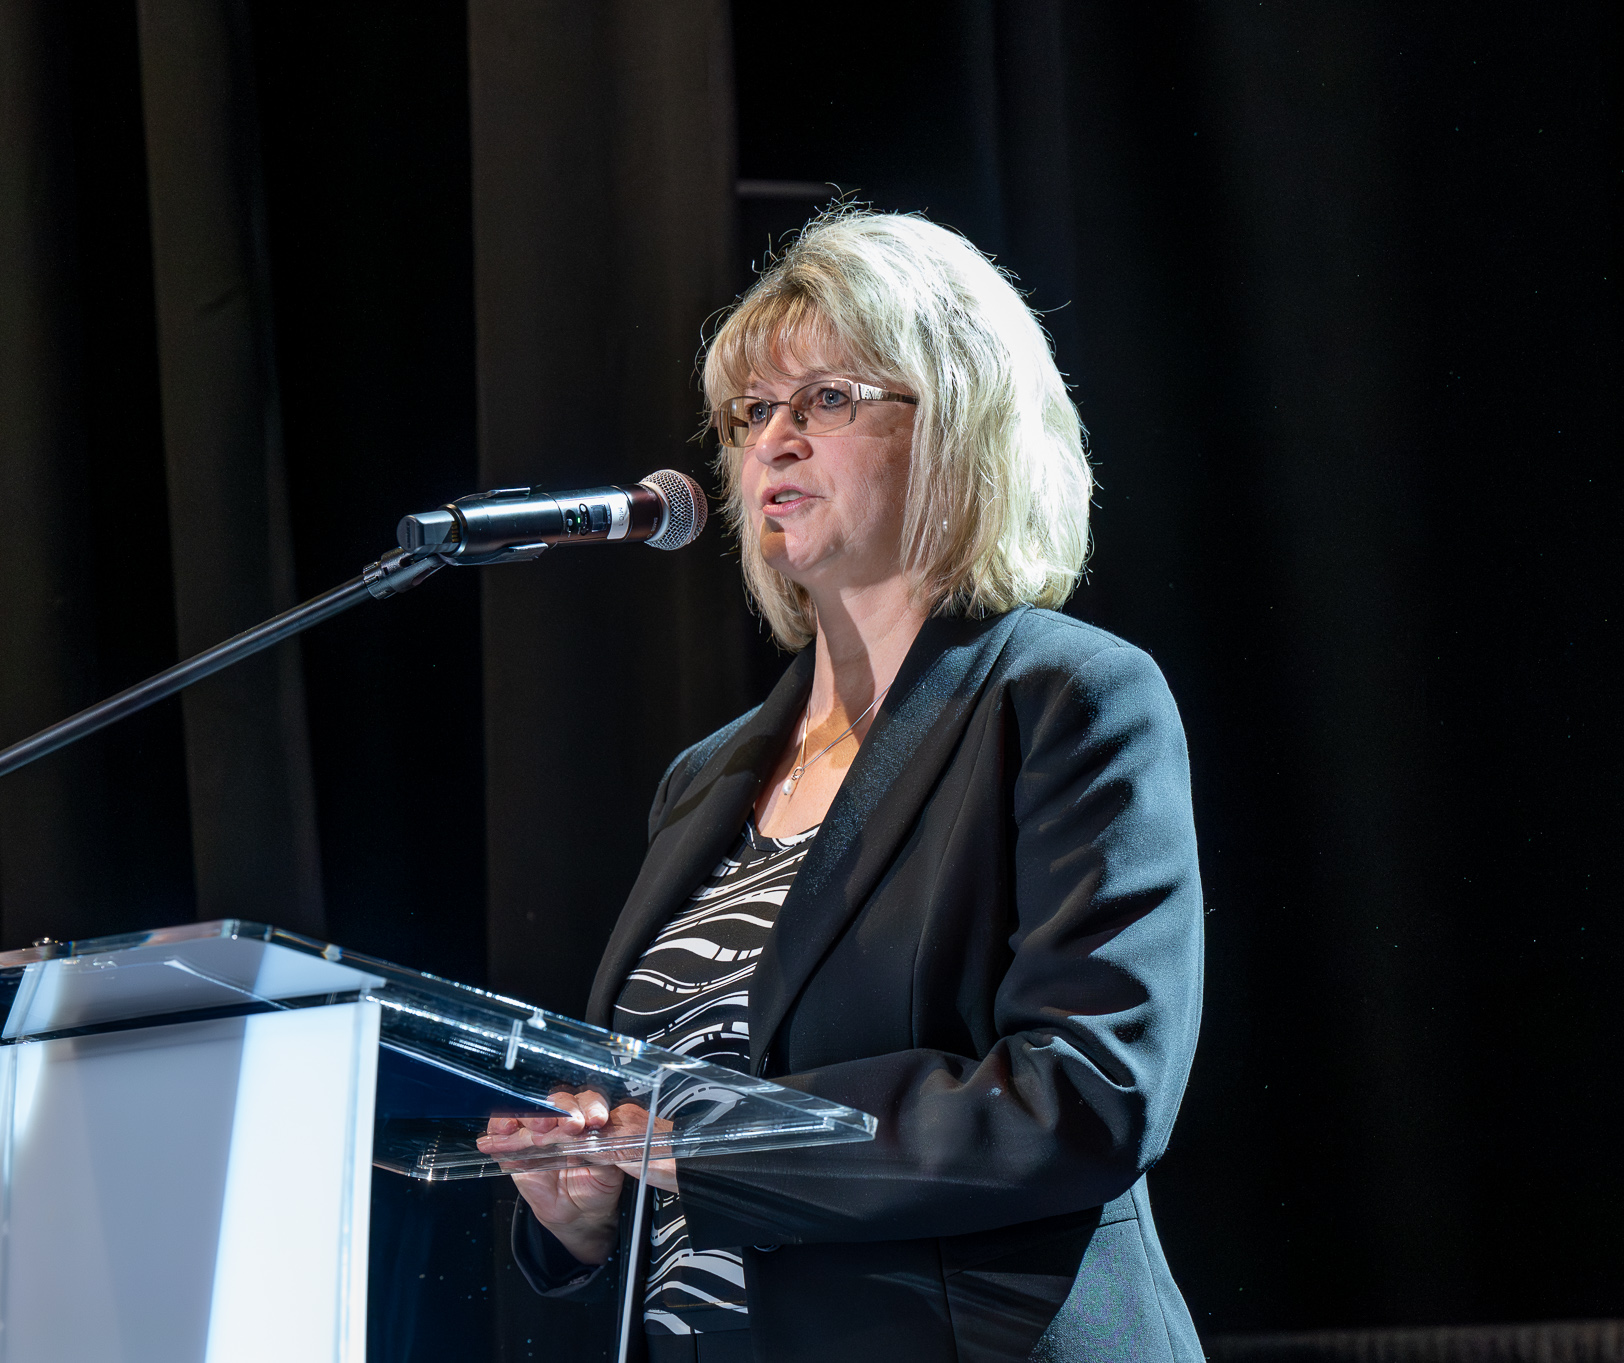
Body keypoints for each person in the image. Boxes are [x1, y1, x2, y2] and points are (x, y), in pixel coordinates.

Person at [488, 208, 1206, 1361]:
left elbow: (1083, 1095)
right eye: (749, 412)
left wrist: (711, 1142)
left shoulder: (1063, 699)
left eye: (824, 399)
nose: (772, 441)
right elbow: (667, 1169)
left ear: (961, 423)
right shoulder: (705, 777)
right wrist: (581, 1215)